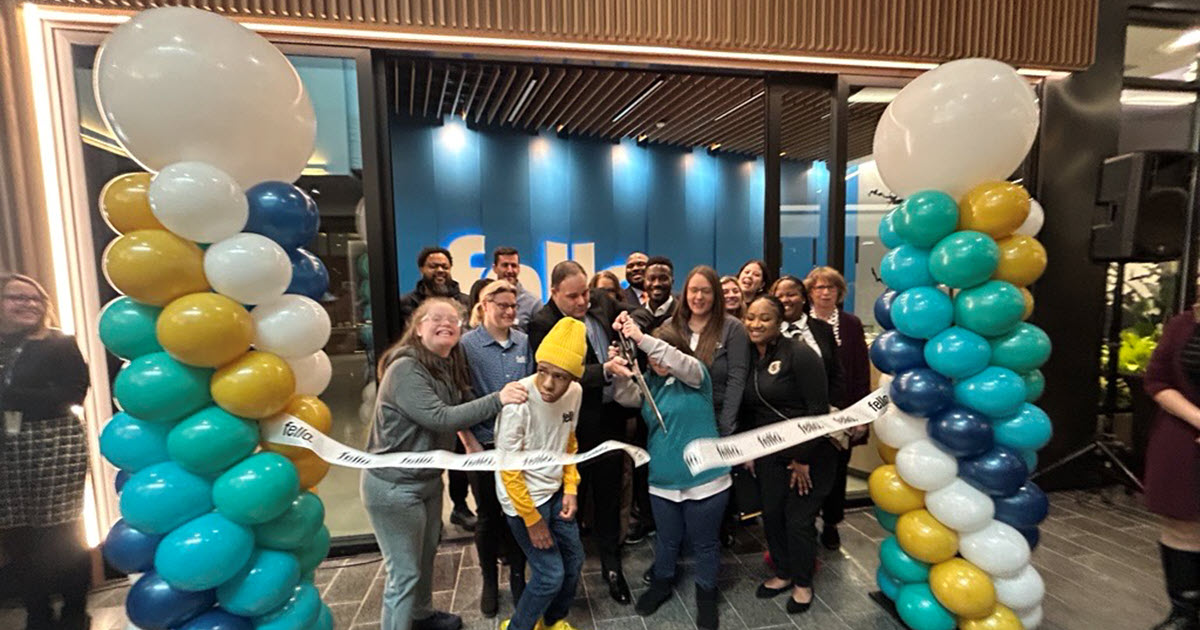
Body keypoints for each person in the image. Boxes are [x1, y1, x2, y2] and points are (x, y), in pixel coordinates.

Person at [362, 298, 528, 630]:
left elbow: (461, 404)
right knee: (404, 574)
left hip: (427, 481)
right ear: (418, 327)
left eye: (454, 320)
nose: (447, 323)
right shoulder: (405, 367)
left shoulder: (444, 364)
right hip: (394, 487)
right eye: (436, 318)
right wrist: (499, 398)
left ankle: (421, 617)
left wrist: (474, 441)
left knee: (425, 559)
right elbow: (440, 417)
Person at [528, 261, 652, 604]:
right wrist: (605, 370)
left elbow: (640, 314)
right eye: (573, 296)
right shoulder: (542, 322)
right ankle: (564, 574)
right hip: (569, 424)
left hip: (611, 419)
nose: (583, 301)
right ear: (553, 293)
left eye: (585, 292)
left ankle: (612, 566)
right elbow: (553, 375)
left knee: (609, 493)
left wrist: (627, 323)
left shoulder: (600, 298)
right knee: (570, 498)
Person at [608, 315, 730, 630]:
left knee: (705, 543)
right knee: (667, 539)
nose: (656, 360)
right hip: (663, 480)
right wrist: (620, 371)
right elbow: (624, 397)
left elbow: (677, 361)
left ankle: (706, 592)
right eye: (650, 356)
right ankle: (662, 583)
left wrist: (642, 337)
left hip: (707, 479)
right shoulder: (650, 386)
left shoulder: (697, 375)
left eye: (661, 352)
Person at [0, 274, 90, 630]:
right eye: (16, 298)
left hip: (53, 442)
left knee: (62, 531)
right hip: (5, 448)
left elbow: (74, 392)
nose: (27, 304)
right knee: (17, 535)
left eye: (35, 299)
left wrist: (13, 397)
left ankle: (74, 610)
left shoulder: (59, 343)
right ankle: (37, 613)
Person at [494, 318, 588, 630]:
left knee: (573, 563)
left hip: (556, 491)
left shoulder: (575, 392)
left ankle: (551, 621)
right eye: (543, 370)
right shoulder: (519, 401)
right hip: (522, 502)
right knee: (550, 575)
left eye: (559, 376)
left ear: (573, 376)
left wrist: (571, 487)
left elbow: (569, 441)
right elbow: (509, 470)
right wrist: (532, 520)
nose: (547, 383)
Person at [740, 295, 831, 615]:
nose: (755, 324)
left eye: (764, 318)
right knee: (773, 515)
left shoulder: (800, 353)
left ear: (779, 322)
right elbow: (751, 409)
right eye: (750, 317)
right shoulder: (749, 356)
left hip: (808, 455)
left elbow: (818, 411)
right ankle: (783, 573)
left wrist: (803, 458)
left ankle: (803, 583)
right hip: (768, 454)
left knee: (798, 521)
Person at [459, 281, 532, 617]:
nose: (509, 311)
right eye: (502, 305)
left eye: (513, 306)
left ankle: (518, 578)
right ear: (484, 304)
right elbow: (457, 398)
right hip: (482, 444)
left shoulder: (523, 341)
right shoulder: (466, 346)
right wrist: (469, 442)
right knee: (488, 516)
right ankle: (490, 581)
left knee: (517, 511)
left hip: (517, 445)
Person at [398, 247, 476, 530]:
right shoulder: (408, 303)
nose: (440, 271)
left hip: (454, 378)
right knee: (426, 446)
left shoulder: (464, 300)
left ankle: (459, 506)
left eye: (444, 266)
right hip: (423, 379)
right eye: (433, 266)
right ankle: (427, 509)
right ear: (422, 269)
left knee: (457, 450)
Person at [803, 266, 871, 549]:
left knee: (837, 471)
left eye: (831, 288)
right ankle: (805, 523)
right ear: (810, 293)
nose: (825, 292)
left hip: (844, 412)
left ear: (839, 292)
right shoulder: (801, 323)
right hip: (807, 414)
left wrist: (861, 416)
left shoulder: (851, 324)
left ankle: (831, 523)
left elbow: (859, 373)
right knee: (806, 469)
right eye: (819, 288)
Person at [1143, 307, 1200, 630]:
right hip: (1182, 437)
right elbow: (1157, 380)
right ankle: (1185, 614)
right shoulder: (1183, 324)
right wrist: (1197, 418)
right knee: (1182, 524)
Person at [771, 275, 844, 408]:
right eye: (779, 296)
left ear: (804, 298)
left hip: (821, 412)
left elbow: (836, 373)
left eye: (791, 294)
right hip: (778, 415)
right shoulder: (768, 333)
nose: (785, 300)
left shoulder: (824, 329)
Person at [470, 247, 541, 330]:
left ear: (519, 269)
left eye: (514, 266)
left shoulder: (533, 303)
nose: (510, 270)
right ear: (494, 268)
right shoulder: (485, 297)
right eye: (505, 265)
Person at [643, 256, 677, 330]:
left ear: (672, 281)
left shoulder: (683, 314)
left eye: (663, 278)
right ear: (644, 282)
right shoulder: (636, 315)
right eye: (651, 278)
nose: (657, 284)